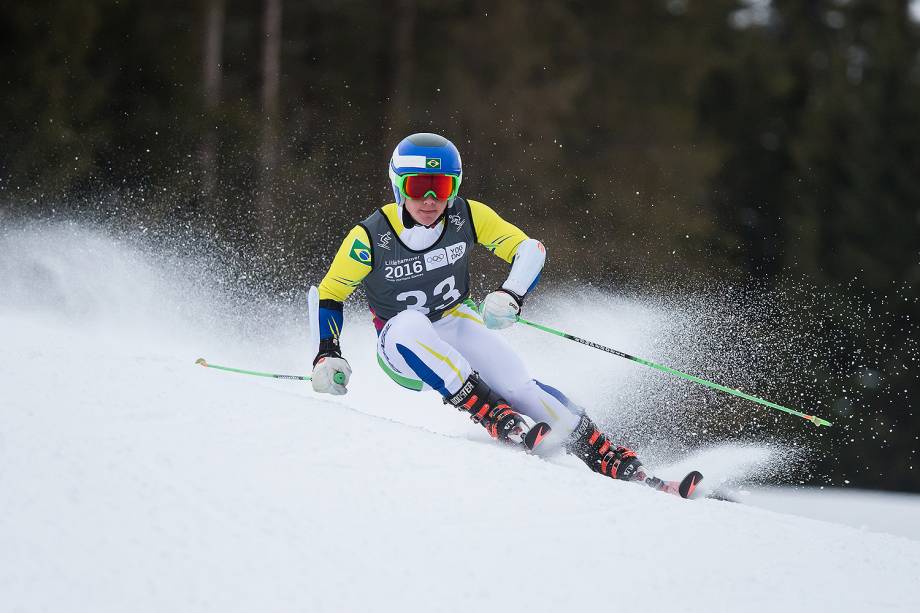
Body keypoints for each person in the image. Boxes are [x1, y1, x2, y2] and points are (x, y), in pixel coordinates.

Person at [309, 132, 645, 483]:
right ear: (398, 186)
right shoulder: (370, 237)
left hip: (454, 322)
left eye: (440, 187)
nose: (429, 200)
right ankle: (490, 412)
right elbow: (332, 291)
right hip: (402, 349)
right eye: (418, 186)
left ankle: (603, 452)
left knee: (518, 385)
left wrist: (511, 294)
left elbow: (529, 250)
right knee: (409, 323)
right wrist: (327, 353)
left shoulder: (467, 215)